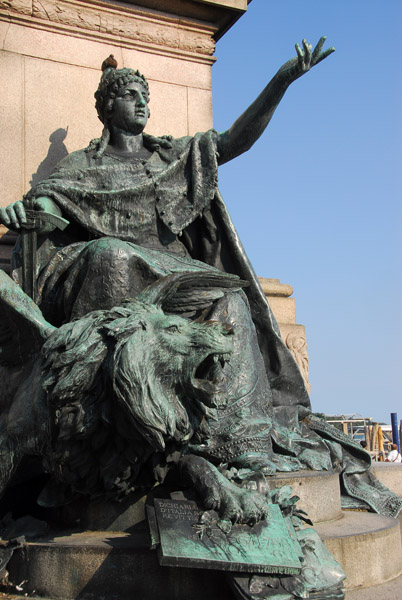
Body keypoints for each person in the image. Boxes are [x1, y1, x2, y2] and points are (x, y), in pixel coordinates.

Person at [1, 39, 402, 517]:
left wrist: (282, 80)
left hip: (176, 274)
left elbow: (234, 141)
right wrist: (25, 213)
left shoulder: (169, 157)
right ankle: (103, 421)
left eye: (145, 94)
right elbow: (47, 208)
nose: (143, 101)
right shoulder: (82, 167)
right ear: (107, 106)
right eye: (131, 94)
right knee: (111, 256)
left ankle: (234, 442)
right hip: (120, 273)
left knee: (229, 300)